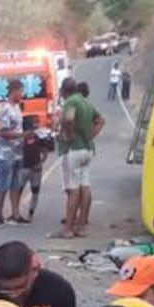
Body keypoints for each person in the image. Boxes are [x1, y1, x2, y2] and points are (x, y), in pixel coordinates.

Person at [54, 77, 103, 238]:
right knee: (85, 187)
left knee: (73, 190)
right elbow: (100, 120)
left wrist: (68, 135)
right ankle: (82, 226)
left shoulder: (71, 102)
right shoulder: (86, 102)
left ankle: (68, 228)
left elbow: (68, 119)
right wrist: (90, 136)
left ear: (64, 90)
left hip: (72, 151)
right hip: (87, 150)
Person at [0, 80, 26, 226]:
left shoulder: (17, 108)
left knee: (16, 184)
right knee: (4, 184)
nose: (22, 94)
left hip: (17, 151)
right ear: (14, 91)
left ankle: (15, 213)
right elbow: (3, 132)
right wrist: (22, 136)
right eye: (21, 91)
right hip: (6, 153)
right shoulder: (5, 109)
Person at [18, 115, 52, 221]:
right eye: (34, 122)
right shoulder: (21, 137)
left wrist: (41, 162)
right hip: (23, 167)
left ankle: (31, 213)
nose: (36, 125)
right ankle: (16, 212)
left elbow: (44, 150)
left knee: (35, 191)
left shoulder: (39, 136)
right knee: (18, 190)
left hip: (35, 168)